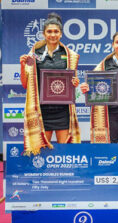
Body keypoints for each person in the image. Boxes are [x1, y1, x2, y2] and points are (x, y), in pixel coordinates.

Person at [20, 13, 81, 155]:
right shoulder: (34, 54)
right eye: (49, 31)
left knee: (65, 153)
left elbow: (72, 82)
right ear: (43, 34)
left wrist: (75, 82)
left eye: (56, 32)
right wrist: (23, 67)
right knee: (41, 153)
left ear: (61, 34)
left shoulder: (70, 55)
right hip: (42, 111)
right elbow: (25, 84)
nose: (52, 35)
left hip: (63, 110)